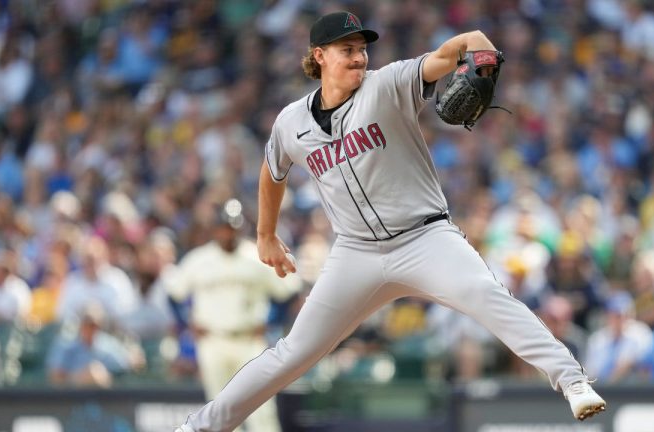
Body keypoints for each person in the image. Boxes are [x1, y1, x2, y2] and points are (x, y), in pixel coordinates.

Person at [176, 11, 606, 431]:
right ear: (319, 55)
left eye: (362, 49)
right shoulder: (292, 122)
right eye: (348, 50)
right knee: (293, 352)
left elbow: (460, 46)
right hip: (355, 252)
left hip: (425, 238)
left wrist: (482, 52)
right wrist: (265, 234)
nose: (360, 58)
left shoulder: (388, 83)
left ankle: (572, 381)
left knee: (484, 293)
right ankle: (202, 427)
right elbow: (273, 171)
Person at [166, 199, 301, 432]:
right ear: (215, 229)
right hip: (213, 340)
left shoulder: (256, 256)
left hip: (249, 341)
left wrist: (270, 322)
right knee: (219, 411)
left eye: (232, 227)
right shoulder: (199, 260)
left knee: (262, 411)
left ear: (240, 228)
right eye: (223, 227)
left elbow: (289, 292)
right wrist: (187, 323)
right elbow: (174, 295)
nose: (227, 232)